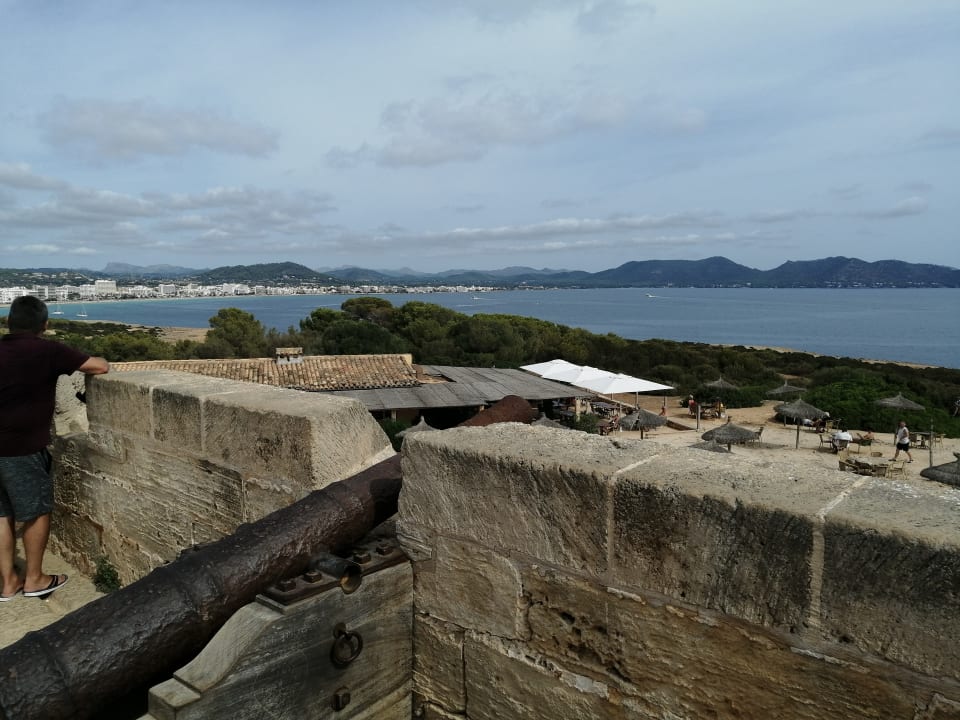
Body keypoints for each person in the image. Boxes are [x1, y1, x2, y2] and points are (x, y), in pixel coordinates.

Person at [0, 296, 109, 601]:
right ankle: (34, 579)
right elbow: (98, 367)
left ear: (9, 323)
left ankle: (7, 582)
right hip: (22, 448)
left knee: (2, 515)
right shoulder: (48, 350)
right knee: (36, 512)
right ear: (44, 325)